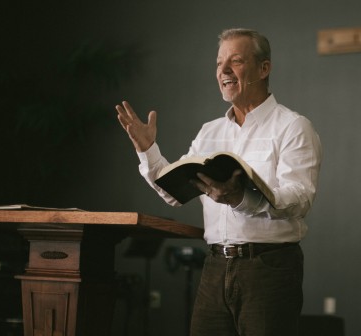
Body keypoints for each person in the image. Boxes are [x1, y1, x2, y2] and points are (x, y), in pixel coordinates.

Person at [115, 28, 322, 336]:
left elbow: (299, 199)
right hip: (214, 267)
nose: (223, 70)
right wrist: (148, 151)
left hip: (269, 269)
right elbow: (174, 192)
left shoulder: (293, 127)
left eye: (235, 61)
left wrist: (241, 198)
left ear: (264, 68)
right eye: (218, 62)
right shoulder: (209, 132)